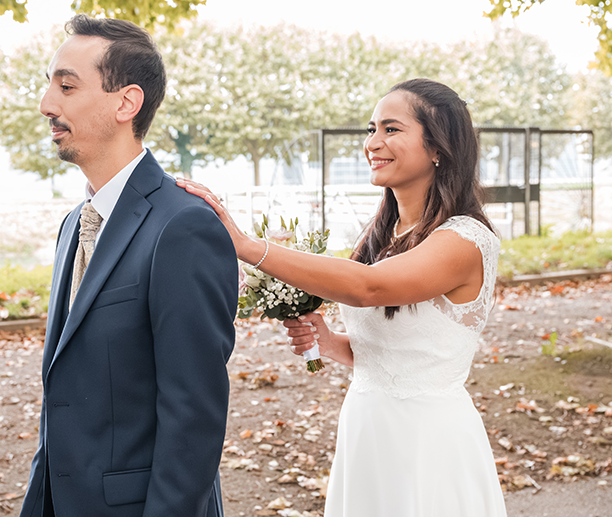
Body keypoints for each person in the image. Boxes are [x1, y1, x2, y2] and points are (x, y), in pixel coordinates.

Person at [179, 78, 508, 516]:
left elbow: (367, 287)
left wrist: (246, 246)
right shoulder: (382, 237)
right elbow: (400, 350)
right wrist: (332, 343)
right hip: (367, 430)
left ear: (438, 148)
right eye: (371, 129)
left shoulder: (465, 240)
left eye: (391, 129)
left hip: (428, 441)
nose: (373, 142)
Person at [20, 14, 239, 517]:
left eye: (67, 86)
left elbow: (194, 416)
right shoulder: (74, 222)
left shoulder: (185, 227)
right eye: (50, 83)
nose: (46, 104)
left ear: (127, 102)